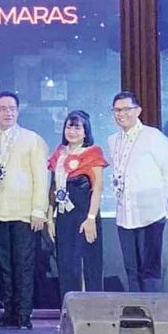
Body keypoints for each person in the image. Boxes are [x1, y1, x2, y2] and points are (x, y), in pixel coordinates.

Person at [0, 91, 48, 330]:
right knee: (5, 267)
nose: (8, 113)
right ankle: (9, 312)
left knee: (23, 266)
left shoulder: (32, 139)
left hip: (24, 213)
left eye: (12, 108)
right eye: (3, 108)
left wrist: (38, 210)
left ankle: (24, 314)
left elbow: (41, 178)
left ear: (18, 110)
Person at [108, 91, 168, 292]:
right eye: (117, 110)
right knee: (131, 269)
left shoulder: (153, 136)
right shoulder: (113, 140)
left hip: (151, 213)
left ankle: (153, 314)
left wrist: (160, 201)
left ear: (138, 110)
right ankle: (135, 314)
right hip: (124, 213)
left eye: (126, 109)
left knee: (150, 269)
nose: (121, 114)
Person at [46, 110, 107, 302]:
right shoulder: (59, 153)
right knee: (66, 264)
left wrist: (90, 219)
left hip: (84, 216)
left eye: (77, 127)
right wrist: (49, 217)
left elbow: (97, 189)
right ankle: (69, 311)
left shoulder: (93, 152)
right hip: (63, 218)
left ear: (85, 131)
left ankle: (91, 313)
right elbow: (53, 187)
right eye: (68, 126)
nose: (72, 131)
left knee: (86, 264)